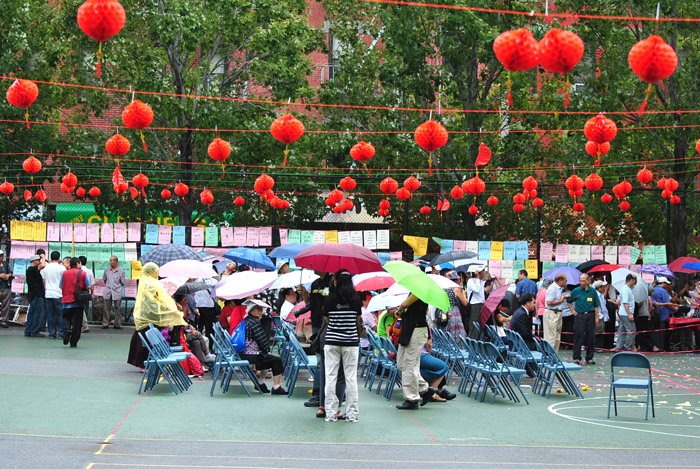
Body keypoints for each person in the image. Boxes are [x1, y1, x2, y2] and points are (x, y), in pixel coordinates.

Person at [127, 263, 189, 369]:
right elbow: (157, 300)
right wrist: (169, 308)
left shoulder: (145, 281)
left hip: (143, 316)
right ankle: (145, 365)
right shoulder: (151, 284)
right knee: (148, 341)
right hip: (151, 317)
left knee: (143, 340)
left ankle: (143, 364)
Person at [322, 270, 362, 422]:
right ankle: (352, 414)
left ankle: (330, 413)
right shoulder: (356, 300)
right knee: (350, 377)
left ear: (336, 282)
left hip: (332, 341)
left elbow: (327, 320)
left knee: (330, 377)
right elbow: (357, 320)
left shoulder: (329, 299)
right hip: (351, 342)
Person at [394, 294, 441, 410]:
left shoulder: (419, 291)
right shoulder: (414, 291)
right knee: (401, 365)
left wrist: (399, 309)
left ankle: (412, 399)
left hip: (416, 331)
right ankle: (426, 390)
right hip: (408, 330)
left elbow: (405, 304)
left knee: (409, 366)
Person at [298, 270, 331, 407]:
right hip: (316, 325)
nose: (313, 268)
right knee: (320, 361)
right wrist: (304, 294)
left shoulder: (332, 282)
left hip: (329, 326)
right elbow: (310, 304)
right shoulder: (315, 283)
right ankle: (318, 394)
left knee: (326, 362)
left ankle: (323, 395)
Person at [239, 299, 287, 394]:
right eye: (258, 309)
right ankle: (276, 387)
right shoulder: (254, 323)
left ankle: (261, 383)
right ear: (251, 309)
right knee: (277, 360)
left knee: (267, 357)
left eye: (261, 309)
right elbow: (261, 340)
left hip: (244, 353)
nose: (261, 311)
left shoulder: (246, 320)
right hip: (252, 355)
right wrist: (266, 351)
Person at [567, 273, 600, 365]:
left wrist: (596, 317)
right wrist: (573, 311)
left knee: (591, 337)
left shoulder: (593, 291)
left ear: (588, 281)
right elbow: (569, 301)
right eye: (580, 281)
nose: (582, 283)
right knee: (578, 336)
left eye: (584, 281)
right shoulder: (576, 290)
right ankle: (576, 357)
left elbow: (596, 305)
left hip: (590, 315)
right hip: (580, 315)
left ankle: (589, 357)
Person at [60, 257, 91, 347]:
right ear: (77, 264)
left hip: (66, 300)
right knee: (77, 323)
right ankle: (73, 342)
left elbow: (61, 285)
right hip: (78, 302)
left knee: (66, 318)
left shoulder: (64, 273)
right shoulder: (83, 274)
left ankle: (67, 330)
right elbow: (88, 286)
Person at [435, 271, 468, 340]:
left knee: (447, 330)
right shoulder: (456, 289)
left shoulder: (443, 288)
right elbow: (465, 303)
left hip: (445, 311)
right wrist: (464, 293)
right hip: (454, 312)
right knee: (456, 332)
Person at [41, 251, 65, 339]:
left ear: (51, 258)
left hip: (48, 293)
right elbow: (64, 281)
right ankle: (61, 334)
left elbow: (44, 281)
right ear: (59, 258)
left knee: (50, 315)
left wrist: (46, 290)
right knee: (60, 315)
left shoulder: (46, 268)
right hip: (58, 293)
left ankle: (52, 333)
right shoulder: (62, 268)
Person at [651, 277, 678, 352]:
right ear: (663, 283)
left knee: (655, 331)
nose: (667, 285)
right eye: (666, 283)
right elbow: (667, 303)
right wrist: (675, 308)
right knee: (662, 332)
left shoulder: (653, 289)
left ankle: (655, 346)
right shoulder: (663, 291)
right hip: (663, 314)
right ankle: (661, 347)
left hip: (654, 313)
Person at [544, 274, 569, 352]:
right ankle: (550, 355)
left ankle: (555, 354)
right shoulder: (553, 288)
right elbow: (549, 302)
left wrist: (563, 297)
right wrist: (560, 301)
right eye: (565, 280)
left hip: (558, 313)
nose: (566, 282)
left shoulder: (559, 289)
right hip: (552, 313)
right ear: (560, 280)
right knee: (551, 337)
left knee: (557, 337)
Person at [24, 254, 46, 337]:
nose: (39, 262)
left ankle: (28, 330)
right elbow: (43, 265)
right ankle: (34, 331)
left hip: (32, 294)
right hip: (37, 294)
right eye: (38, 260)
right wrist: (43, 257)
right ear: (35, 261)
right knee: (38, 313)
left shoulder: (29, 270)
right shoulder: (32, 269)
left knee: (31, 313)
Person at [102, 256, 125, 329]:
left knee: (117, 308)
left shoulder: (121, 271)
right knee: (106, 308)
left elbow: (122, 282)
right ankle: (105, 323)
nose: (110, 262)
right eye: (110, 260)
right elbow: (104, 280)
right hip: (108, 291)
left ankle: (117, 324)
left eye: (112, 261)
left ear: (116, 262)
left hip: (117, 291)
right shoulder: (107, 270)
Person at [616, 274, 637, 351]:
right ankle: (629, 348)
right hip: (626, 313)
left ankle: (619, 347)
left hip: (623, 313)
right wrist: (629, 314)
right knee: (631, 331)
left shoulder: (627, 289)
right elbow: (625, 303)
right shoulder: (626, 290)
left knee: (622, 331)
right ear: (631, 280)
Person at [466, 270, 487, 338]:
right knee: (474, 325)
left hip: (481, 304)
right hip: (475, 305)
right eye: (482, 271)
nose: (484, 273)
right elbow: (476, 290)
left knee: (480, 326)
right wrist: (478, 278)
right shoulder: (471, 281)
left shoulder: (481, 281)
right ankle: (473, 340)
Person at [78, 256, 94, 333]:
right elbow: (92, 284)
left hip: (79, 291)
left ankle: (82, 324)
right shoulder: (89, 271)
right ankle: (85, 323)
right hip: (86, 292)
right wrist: (92, 294)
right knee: (85, 308)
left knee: (79, 308)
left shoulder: (78, 271)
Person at [593, 280, 609, 349]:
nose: (604, 288)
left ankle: (600, 346)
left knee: (602, 331)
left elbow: (603, 306)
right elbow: (595, 307)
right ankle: (597, 346)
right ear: (599, 287)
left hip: (603, 316)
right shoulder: (596, 295)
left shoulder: (601, 295)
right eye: (603, 287)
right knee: (598, 332)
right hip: (599, 316)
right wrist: (599, 315)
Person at [0, 249, 13, 328]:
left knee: (6, 305)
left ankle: (4, 320)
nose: (1, 257)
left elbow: (10, 273)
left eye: (1, 256)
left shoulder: (6, 264)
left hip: (5, 287)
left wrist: (8, 276)